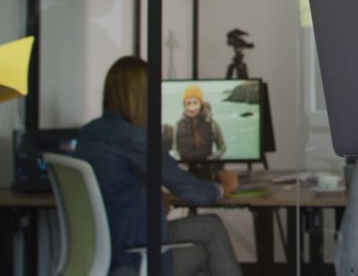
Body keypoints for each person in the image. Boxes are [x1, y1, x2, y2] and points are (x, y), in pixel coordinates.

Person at [75, 57, 243, 276]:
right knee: (205, 249)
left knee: (210, 227)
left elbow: (113, 184)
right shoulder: (134, 139)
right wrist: (224, 187)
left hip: (103, 251)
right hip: (134, 256)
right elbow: (192, 191)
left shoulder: (88, 133)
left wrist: (151, 195)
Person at [174, 84, 227, 161]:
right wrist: (179, 161)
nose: (192, 108)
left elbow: (222, 148)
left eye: (195, 103)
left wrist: (210, 160)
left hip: (205, 170)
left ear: (200, 104)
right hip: (184, 170)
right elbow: (174, 148)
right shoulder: (178, 124)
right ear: (184, 106)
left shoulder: (212, 124)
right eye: (188, 103)